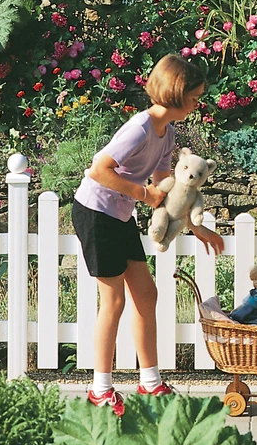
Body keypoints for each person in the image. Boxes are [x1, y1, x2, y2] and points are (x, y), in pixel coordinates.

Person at [72, 53, 225, 413]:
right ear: (176, 92)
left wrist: (194, 226)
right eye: (194, 97)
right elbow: (99, 170)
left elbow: (165, 189)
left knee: (146, 294)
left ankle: (150, 383)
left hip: (118, 214)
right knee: (114, 301)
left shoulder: (167, 133)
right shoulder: (139, 128)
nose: (197, 103)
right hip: (95, 212)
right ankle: (100, 390)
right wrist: (142, 194)